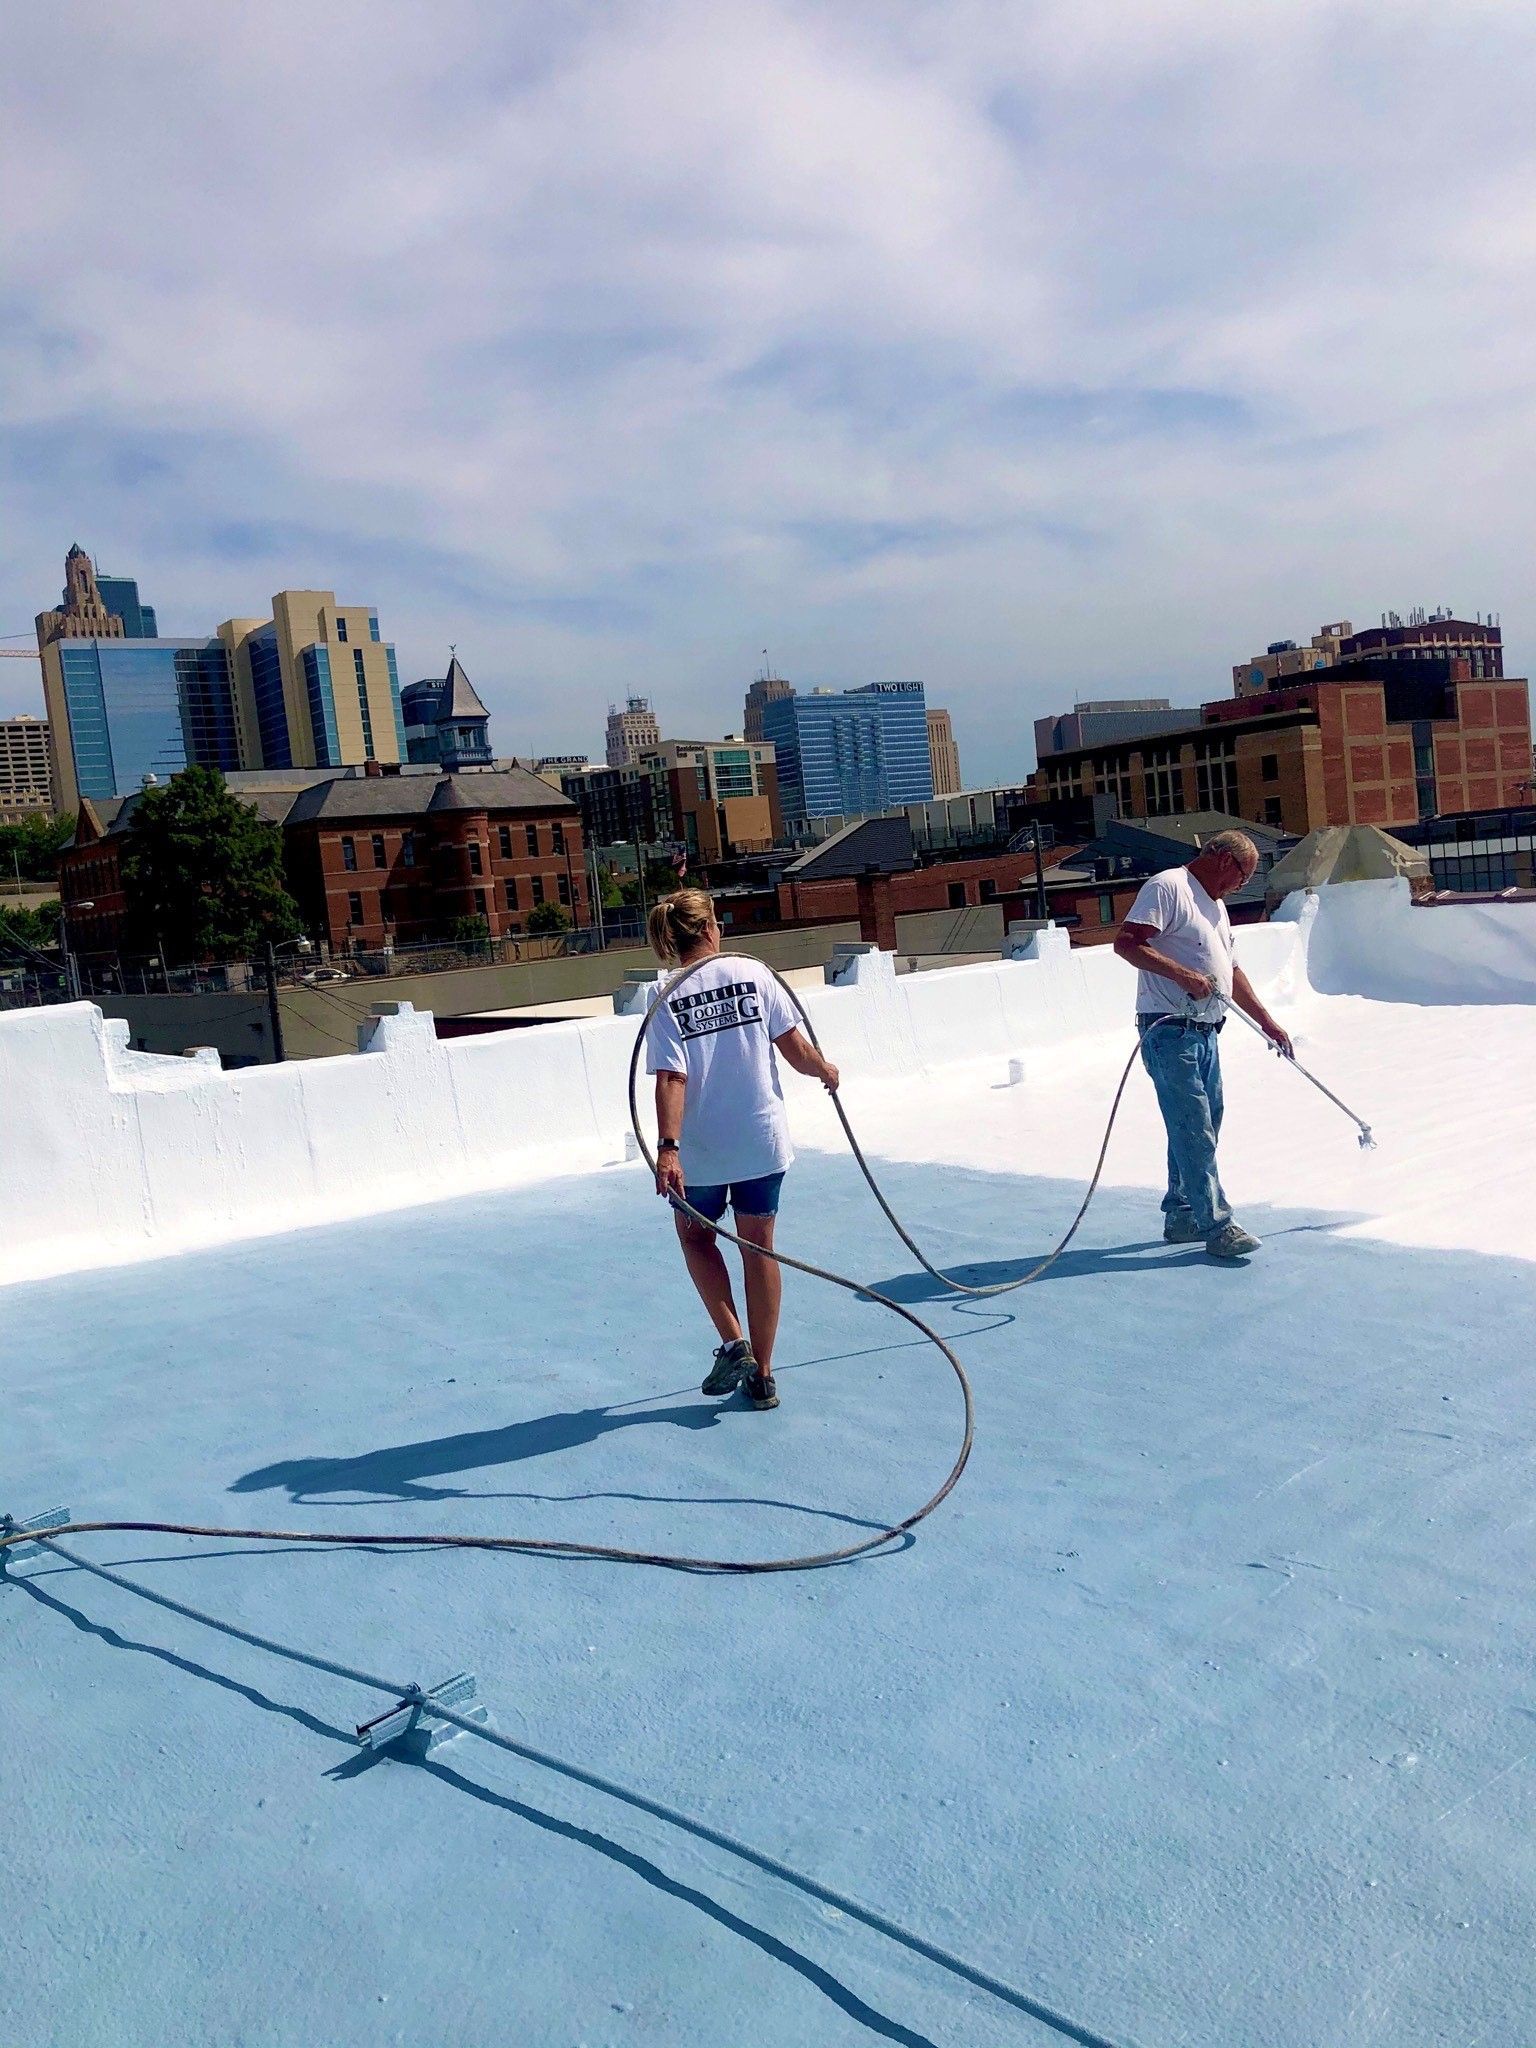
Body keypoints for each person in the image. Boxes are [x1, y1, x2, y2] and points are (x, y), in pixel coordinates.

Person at [644, 889, 839, 1410]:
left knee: (695, 1239)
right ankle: (765, 1376)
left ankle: (736, 1344)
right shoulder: (755, 975)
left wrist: (668, 1149)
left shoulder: (667, 995)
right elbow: (796, 1051)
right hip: (761, 1141)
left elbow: (671, 1077)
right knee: (759, 1247)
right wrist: (826, 1070)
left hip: (705, 1152)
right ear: (711, 928)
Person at [1112, 830, 1293, 1261]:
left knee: (1201, 1124)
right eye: (1244, 875)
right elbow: (1127, 943)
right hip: (1169, 1029)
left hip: (1207, 1032)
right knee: (1194, 1126)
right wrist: (1184, 977)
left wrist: (1266, 1021)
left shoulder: (1215, 906)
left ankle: (1182, 1213)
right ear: (1222, 858)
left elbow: (1230, 971)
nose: (1242, 885)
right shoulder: (1169, 886)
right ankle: (1218, 1225)